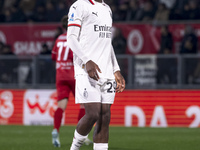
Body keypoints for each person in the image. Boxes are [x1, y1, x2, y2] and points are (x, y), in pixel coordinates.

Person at [67, 0, 125, 150]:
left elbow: (107, 42)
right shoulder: (79, 5)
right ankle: (74, 147)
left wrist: (116, 69)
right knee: (93, 113)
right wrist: (87, 61)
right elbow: (71, 38)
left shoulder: (107, 8)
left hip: (106, 71)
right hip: (86, 69)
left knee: (104, 116)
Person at [51, 15, 92, 147]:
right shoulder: (75, 38)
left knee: (61, 106)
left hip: (60, 76)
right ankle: (83, 136)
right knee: (83, 106)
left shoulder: (58, 39)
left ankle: (55, 130)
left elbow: (54, 56)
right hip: (74, 76)